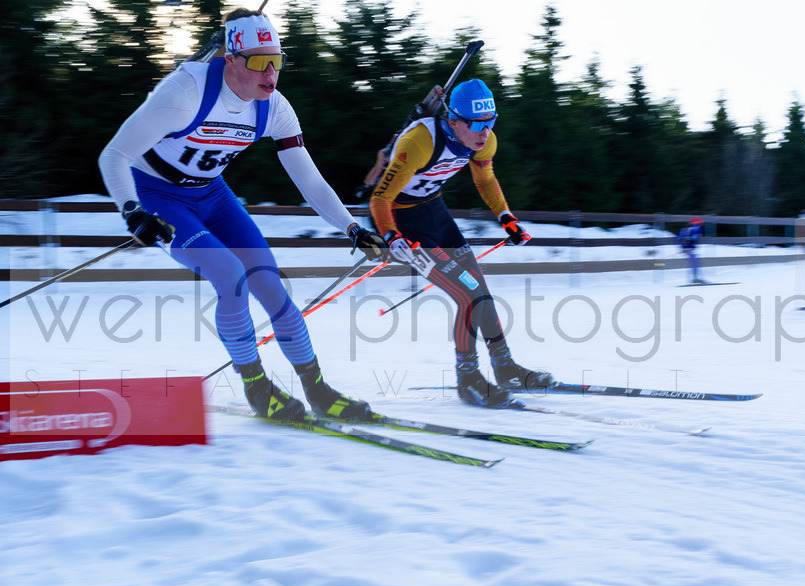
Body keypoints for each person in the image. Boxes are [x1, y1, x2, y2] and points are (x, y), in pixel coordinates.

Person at [98, 9, 385, 422]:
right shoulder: (185, 92)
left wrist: (353, 228)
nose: (270, 73)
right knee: (231, 275)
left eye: (277, 61)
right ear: (229, 59)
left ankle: (318, 390)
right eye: (256, 61)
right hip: (159, 195)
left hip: (213, 195)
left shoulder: (274, 108)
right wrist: (133, 212)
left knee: (270, 285)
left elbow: (309, 180)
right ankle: (257, 387)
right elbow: (114, 154)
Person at [364, 78, 554, 408]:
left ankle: (505, 367)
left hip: (434, 212)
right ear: (453, 120)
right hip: (402, 222)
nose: (485, 132)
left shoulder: (485, 141)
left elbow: (486, 179)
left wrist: (506, 217)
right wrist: (392, 236)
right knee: (468, 295)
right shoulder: (420, 142)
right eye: (478, 124)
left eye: (491, 122)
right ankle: (468, 379)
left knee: (480, 290)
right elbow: (379, 198)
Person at [677, 216, 705, 284]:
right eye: (698, 224)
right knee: (694, 262)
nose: (699, 226)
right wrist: (684, 247)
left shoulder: (697, 231)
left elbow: (694, 240)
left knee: (696, 262)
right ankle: (694, 278)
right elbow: (681, 239)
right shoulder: (687, 230)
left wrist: (692, 246)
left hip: (690, 249)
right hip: (688, 249)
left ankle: (696, 278)